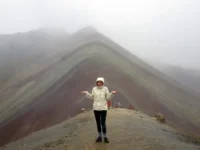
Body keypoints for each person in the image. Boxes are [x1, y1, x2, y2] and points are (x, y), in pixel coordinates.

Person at [81, 77, 117, 143]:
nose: (99, 83)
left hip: (103, 108)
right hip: (96, 108)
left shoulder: (105, 88)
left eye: (100, 82)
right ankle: (100, 136)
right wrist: (87, 93)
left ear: (103, 82)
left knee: (103, 123)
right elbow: (92, 97)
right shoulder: (94, 89)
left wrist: (112, 94)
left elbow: (108, 98)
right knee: (98, 123)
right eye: (98, 82)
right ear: (96, 82)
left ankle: (105, 137)